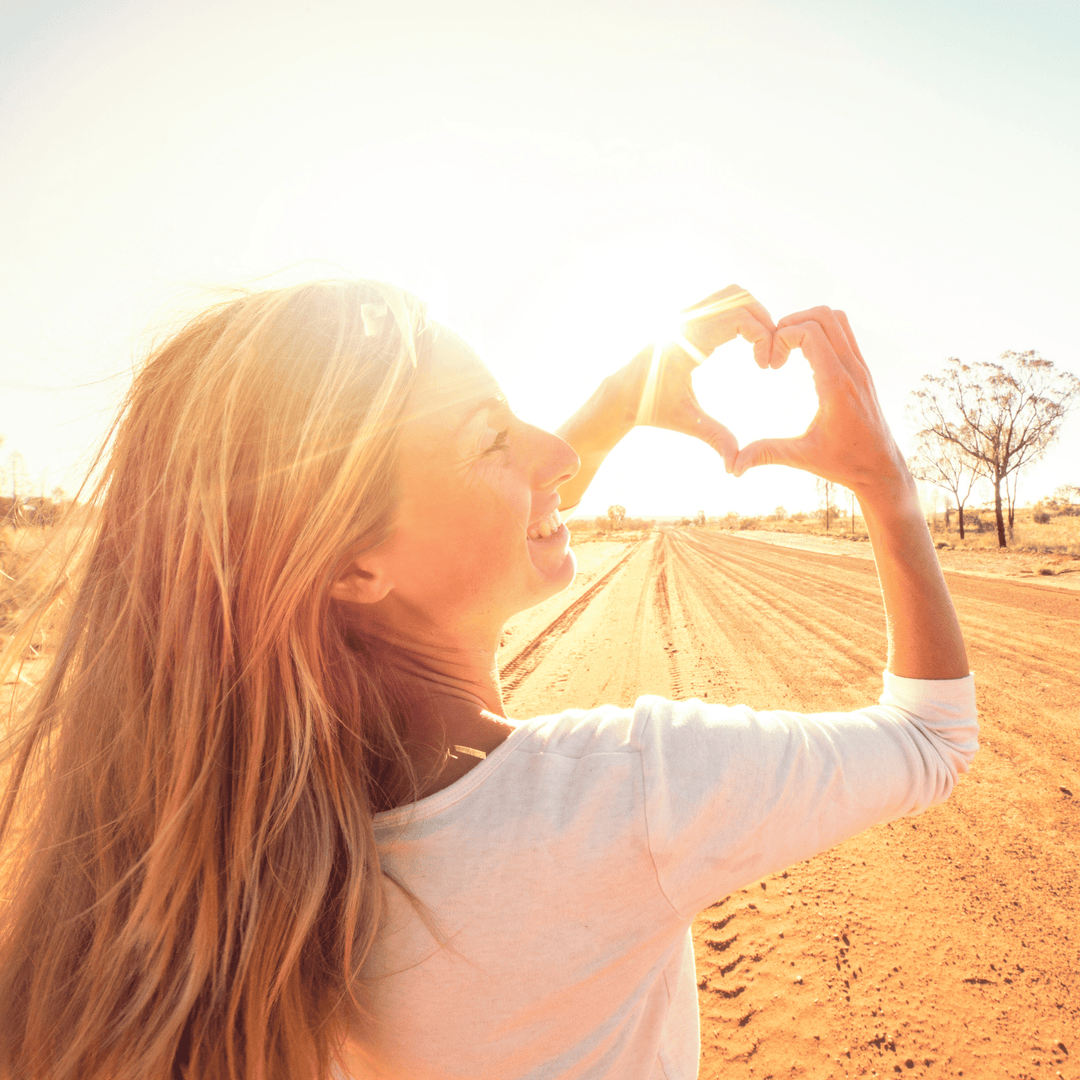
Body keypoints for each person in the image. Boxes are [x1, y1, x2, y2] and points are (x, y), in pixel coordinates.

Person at [0, 280, 976, 1080]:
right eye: (489, 436)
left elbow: (440, 525)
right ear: (350, 568)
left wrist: (607, 408)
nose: (553, 453)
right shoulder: (631, 793)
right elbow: (933, 739)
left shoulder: (252, 843)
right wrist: (885, 480)